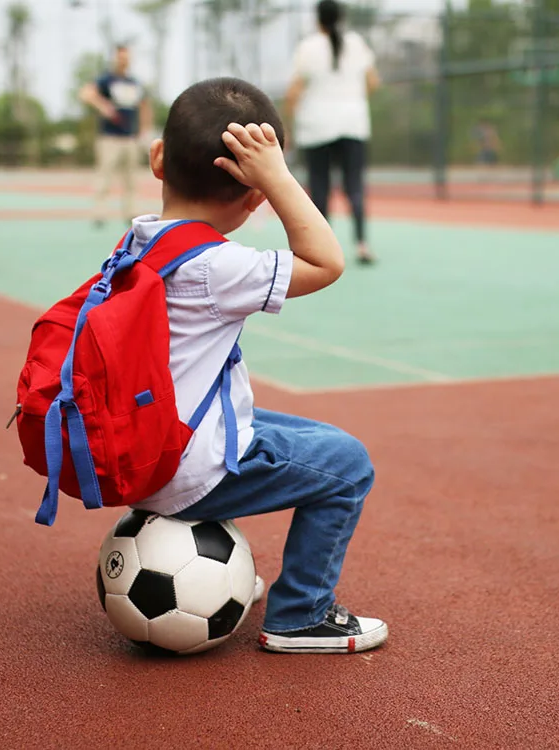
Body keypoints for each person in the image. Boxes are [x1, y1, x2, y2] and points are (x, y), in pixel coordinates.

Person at [122, 77, 387, 654]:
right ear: (254, 196)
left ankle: (226, 577)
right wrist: (279, 176)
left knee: (319, 437)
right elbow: (326, 259)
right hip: (188, 470)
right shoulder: (218, 266)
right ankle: (299, 616)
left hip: (150, 442)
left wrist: (265, 180)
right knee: (349, 465)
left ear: (158, 159)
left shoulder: (140, 238)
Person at [285, 0, 380, 265]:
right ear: (341, 17)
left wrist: (289, 122)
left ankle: (321, 251)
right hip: (353, 124)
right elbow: (373, 81)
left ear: (318, 20)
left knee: (319, 187)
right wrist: (352, 100)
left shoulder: (307, 47)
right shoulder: (357, 43)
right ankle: (362, 245)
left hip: (316, 127)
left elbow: (294, 91)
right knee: (355, 186)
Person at [80, 45, 152, 227]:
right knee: (104, 176)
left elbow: (144, 106)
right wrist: (103, 106)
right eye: (120, 57)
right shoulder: (106, 80)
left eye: (126, 57)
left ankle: (131, 213)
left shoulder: (134, 83)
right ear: (115, 58)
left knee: (132, 179)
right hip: (109, 137)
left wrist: (144, 129)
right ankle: (99, 213)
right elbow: (86, 94)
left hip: (130, 137)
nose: (123, 60)